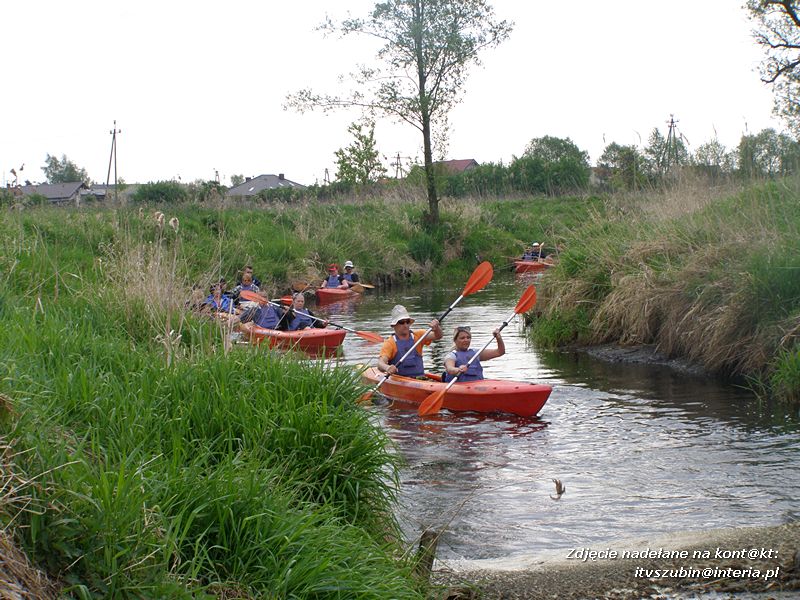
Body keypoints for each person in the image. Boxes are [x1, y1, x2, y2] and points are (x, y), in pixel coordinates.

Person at [377, 305, 443, 378]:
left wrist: (437, 328)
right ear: (394, 325)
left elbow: (438, 336)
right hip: (400, 381)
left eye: (407, 322)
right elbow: (380, 363)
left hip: (420, 379)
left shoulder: (419, 335)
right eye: (401, 322)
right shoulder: (390, 343)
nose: (405, 325)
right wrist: (387, 368)